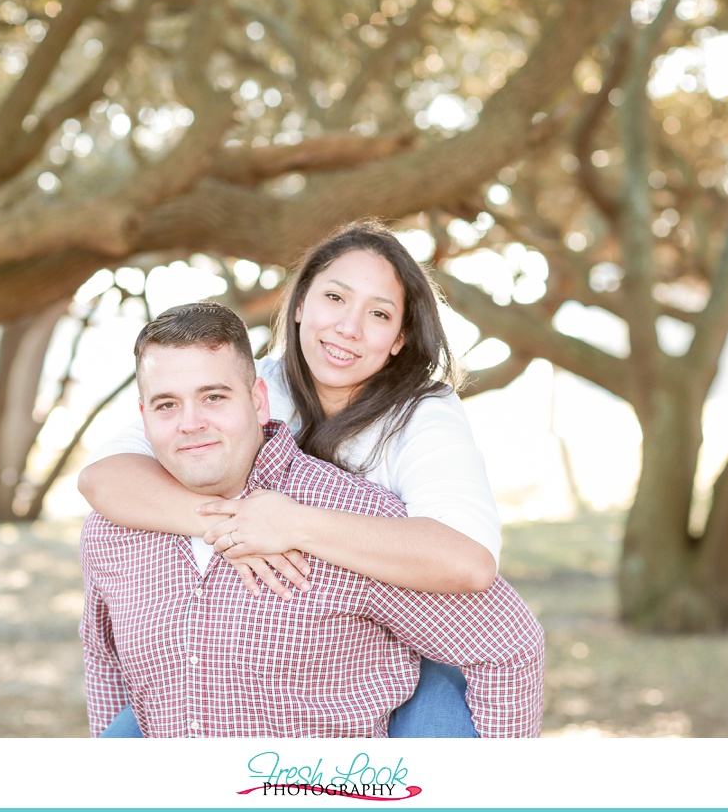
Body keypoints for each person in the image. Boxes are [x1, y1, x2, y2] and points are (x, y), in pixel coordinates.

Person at [79, 219, 506, 737]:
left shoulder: (425, 413)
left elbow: (468, 561)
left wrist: (292, 525)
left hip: (419, 638)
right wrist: (236, 525)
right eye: (334, 297)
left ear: (400, 338)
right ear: (299, 304)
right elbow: (105, 479)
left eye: (378, 313)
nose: (349, 327)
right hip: (288, 643)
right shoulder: (248, 385)